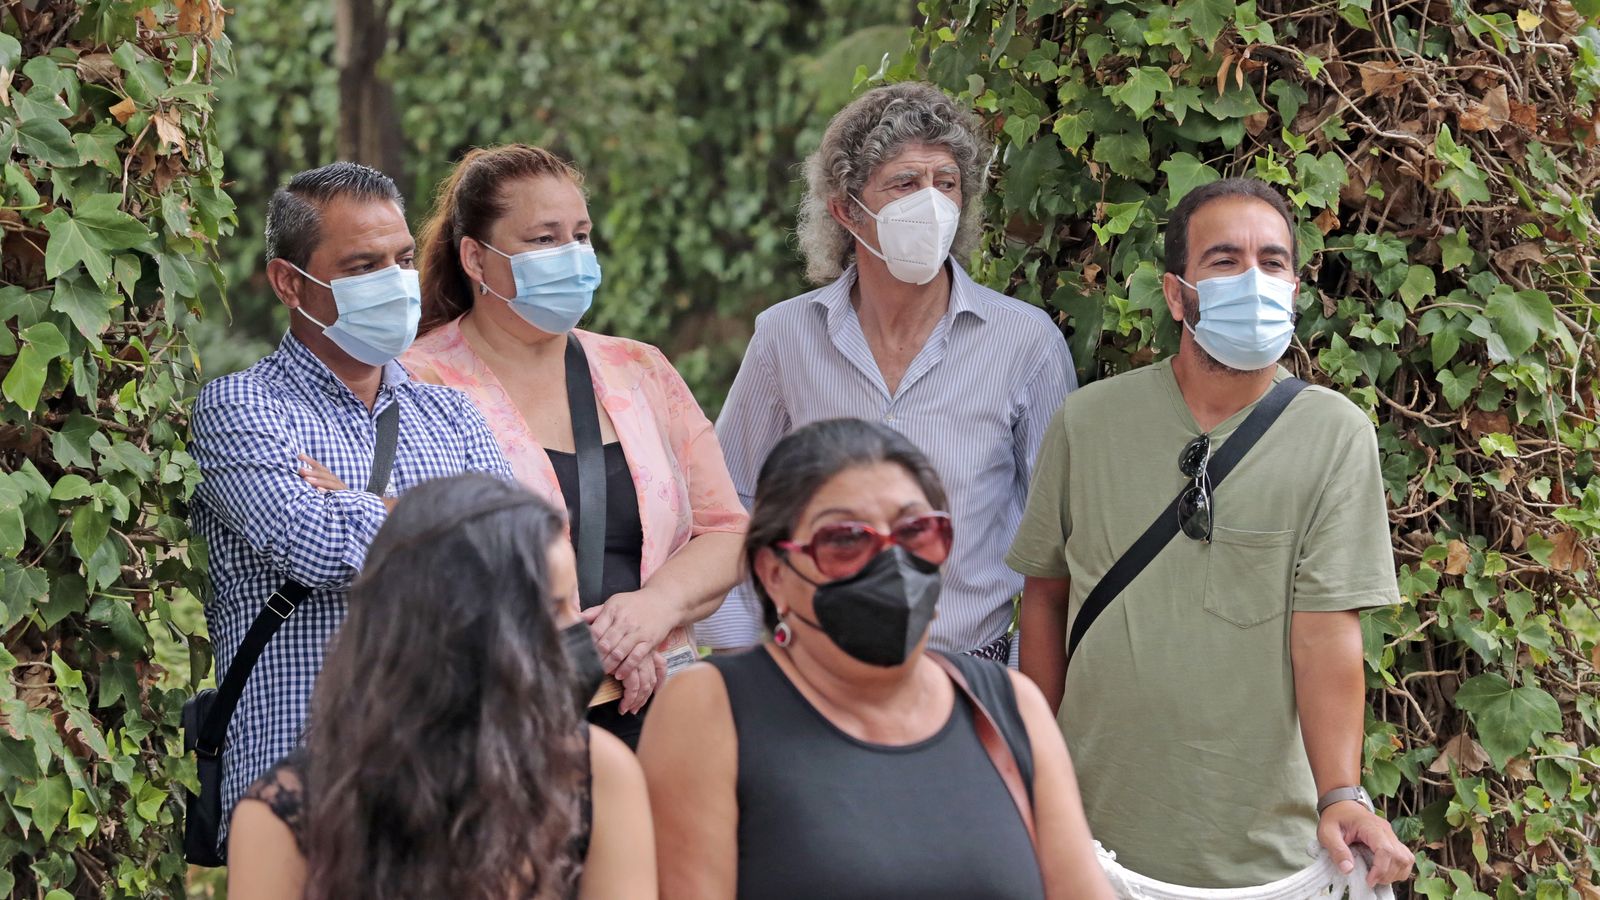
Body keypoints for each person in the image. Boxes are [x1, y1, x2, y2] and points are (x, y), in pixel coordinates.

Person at [1007, 177, 1415, 888]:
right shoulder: (1088, 422)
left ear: (1295, 287)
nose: (1253, 280)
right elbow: (1043, 597)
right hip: (1093, 841)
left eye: (1274, 262)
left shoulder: (1334, 434)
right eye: (1224, 261)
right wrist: (1034, 772)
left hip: (1265, 854)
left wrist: (1341, 794)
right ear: (1176, 294)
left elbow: (1327, 635)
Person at [639, 418, 1113, 900]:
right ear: (774, 572)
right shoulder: (710, 708)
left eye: (916, 532)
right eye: (845, 539)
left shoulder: (1009, 705)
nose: (890, 562)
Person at [187, 162, 514, 851]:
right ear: (289, 282)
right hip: (302, 790)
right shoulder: (241, 408)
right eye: (363, 264)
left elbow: (516, 559)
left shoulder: (451, 414)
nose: (394, 281)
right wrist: (444, 520)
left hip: (451, 783)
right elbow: (314, 544)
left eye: (400, 259)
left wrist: (358, 503)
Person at [705, 82, 1073, 662]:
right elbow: (728, 502)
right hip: (815, 677)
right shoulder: (785, 336)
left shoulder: (1026, 343)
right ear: (847, 210)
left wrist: (1021, 696)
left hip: (968, 675)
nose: (931, 204)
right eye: (905, 183)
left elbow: (1057, 543)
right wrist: (751, 654)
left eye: (946, 183)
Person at [402, 144, 747, 748]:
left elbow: (727, 530)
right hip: (503, 723)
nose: (572, 256)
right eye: (543, 239)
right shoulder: (417, 382)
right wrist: (586, 648)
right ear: (476, 260)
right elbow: (412, 561)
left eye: (580, 235)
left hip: (663, 713)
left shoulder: (639, 368)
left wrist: (654, 609)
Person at [225, 474, 655, 900]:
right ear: (461, 629)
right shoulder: (288, 814)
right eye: (554, 609)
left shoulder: (597, 773)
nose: (578, 632)